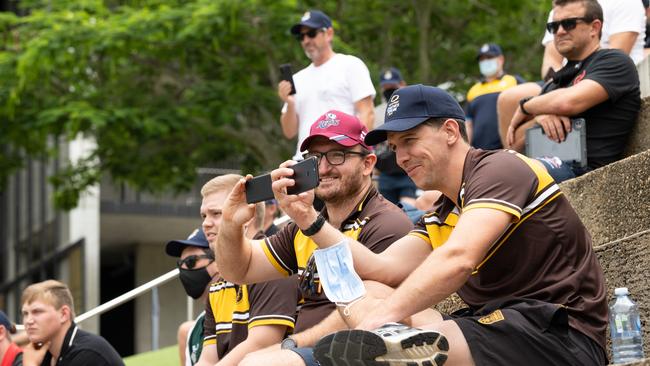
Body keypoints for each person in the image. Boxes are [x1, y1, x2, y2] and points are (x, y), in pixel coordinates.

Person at [270, 84, 608, 365]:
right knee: (371, 292)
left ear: (449, 131)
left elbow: (458, 258)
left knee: (398, 335)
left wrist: (378, 322)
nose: (401, 158)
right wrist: (307, 218)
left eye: (411, 140)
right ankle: (389, 350)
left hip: (562, 336)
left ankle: (390, 351)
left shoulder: (500, 169)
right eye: (395, 147)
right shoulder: (443, 211)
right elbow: (382, 268)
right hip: (496, 328)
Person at [217, 110, 413, 366]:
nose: (323, 167)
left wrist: (292, 345)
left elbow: (371, 308)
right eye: (315, 158)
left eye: (337, 155)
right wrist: (230, 223)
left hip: (352, 353)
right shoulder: (303, 224)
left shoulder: (386, 222)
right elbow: (238, 270)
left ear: (368, 164)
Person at [507, 0, 640, 182]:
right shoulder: (553, 83)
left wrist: (526, 106)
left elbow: (567, 103)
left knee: (507, 174)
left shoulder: (615, 62)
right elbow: (512, 144)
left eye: (569, 23)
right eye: (553, 26)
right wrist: (539, 119)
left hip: (586, 178)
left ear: (594, 27)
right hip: (542, 170)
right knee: (496, 168)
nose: (560, 31)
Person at [190, 174, 299, 366]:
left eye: (216, 214)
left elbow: (261, 344)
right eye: (204, 215)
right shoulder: (217, 283)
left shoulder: (273, 265)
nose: (205, 223)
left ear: (245, 216)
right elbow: (207, 359)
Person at [278, 9, 376, 160]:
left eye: (311, 33)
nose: (306, 40)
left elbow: (367, 113)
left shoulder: (350, 65)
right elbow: (289, 132)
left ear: (329, 33)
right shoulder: (297, 78)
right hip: (305, 159)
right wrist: (289, 103)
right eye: (301, 36)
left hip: (341, 156)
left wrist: (358, 155)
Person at [20, 280, 124, 366]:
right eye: (25, 313)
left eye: (37, 312)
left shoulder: (88, 354)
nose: (28, 321)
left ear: (64, 314)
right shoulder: (43, 355)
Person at [373, 68, 419, 208]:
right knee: (387, 212)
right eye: (386, 88)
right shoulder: (376, 113)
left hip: (407, 171)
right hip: (385, 172)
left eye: (392, 87)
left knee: (408, 209)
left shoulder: (413, 110)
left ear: (402, 85)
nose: (389, 91)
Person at [465, 43, 524, 150]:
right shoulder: (473, 90)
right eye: (482, 59)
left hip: (509, 149)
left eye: (489, 57)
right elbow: (468, 124)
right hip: (479, 152)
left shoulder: (514, 81)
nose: (485, 62)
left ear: (501, 59)